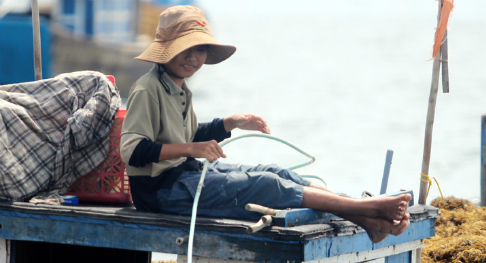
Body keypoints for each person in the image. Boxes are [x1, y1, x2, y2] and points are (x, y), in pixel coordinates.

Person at [121, 5, 410, 243]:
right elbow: (133, 150)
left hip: (185, 175)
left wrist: (228, 123)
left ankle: (364, 217)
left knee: (276, 171)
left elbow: (183, 136)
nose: (193, 57)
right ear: (166, 50)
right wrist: (193, 148)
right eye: (185, 49)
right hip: (161, 192)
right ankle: (366, 208)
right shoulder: (148, 88)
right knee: (267, 185)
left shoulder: (179, 88)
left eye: (200, 49)